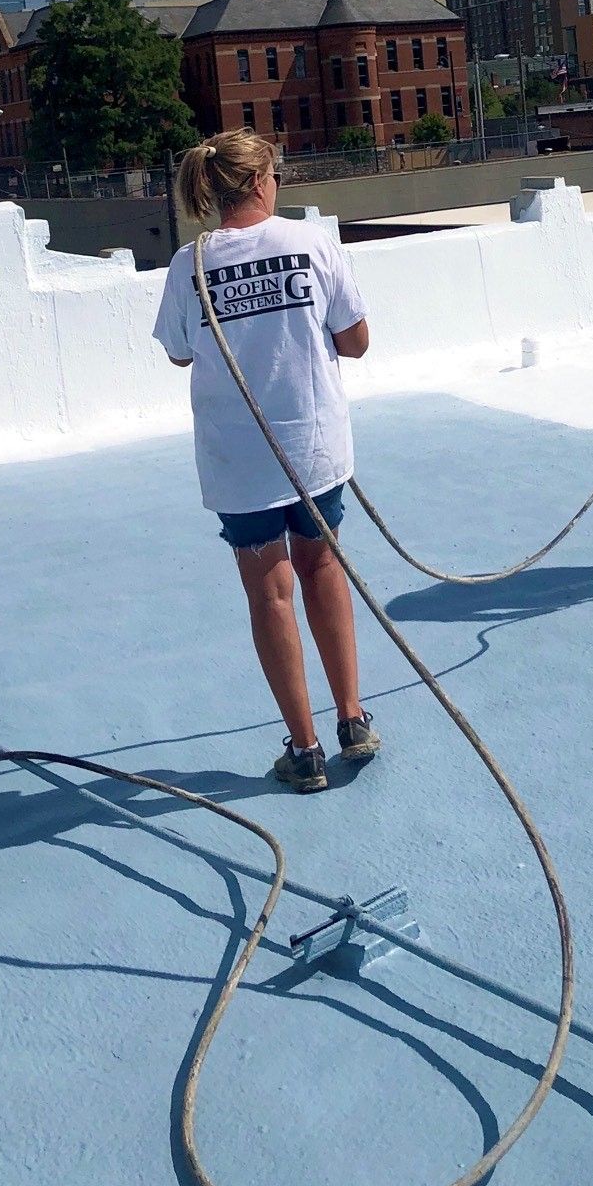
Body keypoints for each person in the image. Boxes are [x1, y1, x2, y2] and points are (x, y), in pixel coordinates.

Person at [154, 128, 379, 792]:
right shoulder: (314, 243)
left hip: (239, 463)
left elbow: (179, 353)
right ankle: (352, 720)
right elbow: (356, 341)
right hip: (314, 450)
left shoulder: (187, 265)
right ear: (258, 181)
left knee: (270, 594)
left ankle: (305, 752)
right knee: (323, 568)